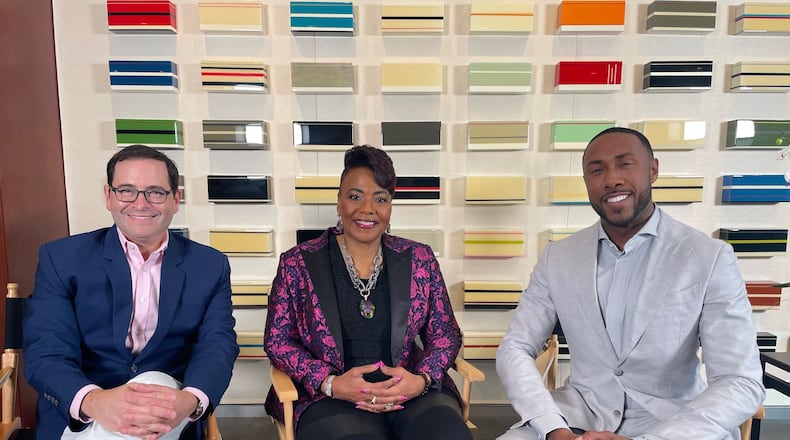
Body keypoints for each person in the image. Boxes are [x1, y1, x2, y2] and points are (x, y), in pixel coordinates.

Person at [496, 127, 765, 440]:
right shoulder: (558, 257)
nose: (611, 179)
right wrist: (552, 426)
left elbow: (740, 379)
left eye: (625, 164)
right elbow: (515, 347)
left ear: (653, 170)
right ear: (587, 183)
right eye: (597, 170)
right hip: (578, 415)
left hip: (675, 423)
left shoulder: (709, 257)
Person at [23, 145, 239, 439]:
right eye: (127, 190)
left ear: (175, 200)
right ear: (108, 197)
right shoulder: (61, 259)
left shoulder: (210, 265)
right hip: (82, 411)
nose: (140, 204)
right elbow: (46, 352)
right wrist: (94, 402)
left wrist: (189, 401)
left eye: (155, 192)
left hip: (167, 411)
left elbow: (218, 345)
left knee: (155, 385)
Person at [264, 145, 471, 440]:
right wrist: (329, 382)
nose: (367, 209)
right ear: (339, 202)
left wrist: (421, 380)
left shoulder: (419, 258)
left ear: (390, 206)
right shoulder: (298, 263)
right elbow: (278, 341)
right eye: (355, 196)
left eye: (380, 198)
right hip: (332, 398)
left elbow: (445, 333)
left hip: (410, 392)